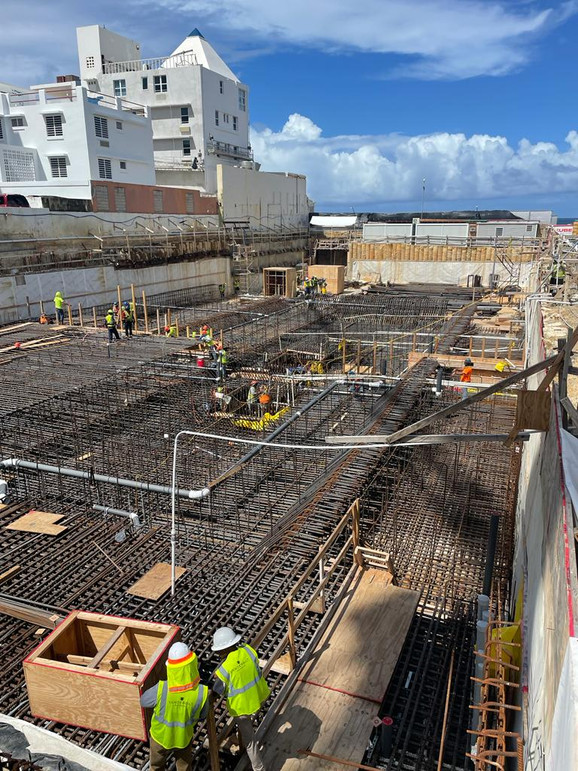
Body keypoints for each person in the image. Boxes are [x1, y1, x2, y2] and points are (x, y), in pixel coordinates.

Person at [140, 642, 209, 771]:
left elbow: (143, 701)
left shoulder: (161, 689)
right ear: (192, 664)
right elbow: (203, 715)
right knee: (184, 768)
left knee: (156, 766)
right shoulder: (200, 692)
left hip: (160, 738)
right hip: (183, 738)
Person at [212, 627, 270, 771]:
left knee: (250, 741)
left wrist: (217, 681)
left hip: (241, 708)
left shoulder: (225, 668)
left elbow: (218, 689)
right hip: (258, 696)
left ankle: (259, 768)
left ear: (224, 649)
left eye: (218, 650)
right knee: (247, 729)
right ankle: (241, 739)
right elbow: (254, 666)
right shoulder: (248, 650)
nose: (217, 653)